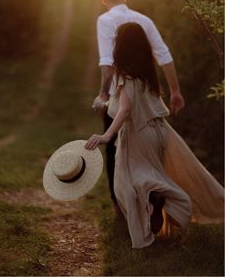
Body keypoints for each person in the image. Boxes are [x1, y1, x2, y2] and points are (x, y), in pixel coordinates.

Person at [86, 22, 224, 249]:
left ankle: (148, 216)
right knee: (151, 174)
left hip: (137, 134)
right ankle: (155, 202)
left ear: (121, 46)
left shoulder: (124, 74)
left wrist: (107, 135)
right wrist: (105, 103)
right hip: (159, 132)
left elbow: (126, 108)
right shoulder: (146, 72)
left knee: (126, 185)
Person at [93, 0, 184, 208]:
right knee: (148, 149)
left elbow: (107, 62)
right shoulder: (144, 20)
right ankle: (153, 195)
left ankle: (122, 206)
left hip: (119, 95)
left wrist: (103, 94)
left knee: (116, 149)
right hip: (147, 97)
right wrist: (175, 92)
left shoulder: (105, 20)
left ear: (104, 0)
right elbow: (165, 56)